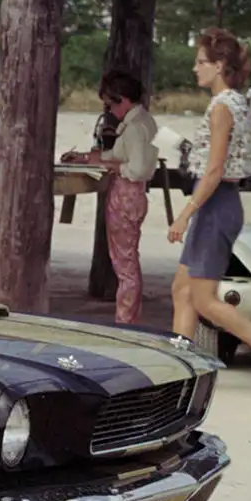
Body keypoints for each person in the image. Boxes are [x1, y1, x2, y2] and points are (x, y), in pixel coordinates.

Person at [168, 27, 251, 396]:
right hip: (219, 203)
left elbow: (215, 170)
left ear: (219, 66)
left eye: (200, 62)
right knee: (182, 290)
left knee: (203, 298)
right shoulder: (236, 102)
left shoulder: (222, 107)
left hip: (215, 204)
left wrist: (186, 213)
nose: (194, 69)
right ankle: (178, 370)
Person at [66, 70, 159, 326]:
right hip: (130, 195)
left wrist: (116, 168)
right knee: (126, 260)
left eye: (110, 103)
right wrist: (86, 157)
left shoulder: (135, 128)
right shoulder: (140, 123)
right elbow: (116, 155)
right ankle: (127, 318)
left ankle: (126, 321)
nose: (109, 109)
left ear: (123, 99)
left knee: (125, 265)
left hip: (126, 194)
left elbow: (137, 169)